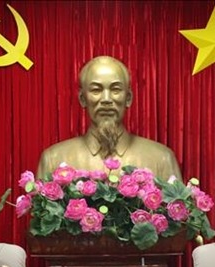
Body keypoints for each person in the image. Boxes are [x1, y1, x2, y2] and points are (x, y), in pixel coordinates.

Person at [37, 55, 183, 182]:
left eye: (115, 89)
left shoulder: (162, 158)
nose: (106, 99)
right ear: (82, 99)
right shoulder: (54, 159)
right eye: (96, 90)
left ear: (128, 98)